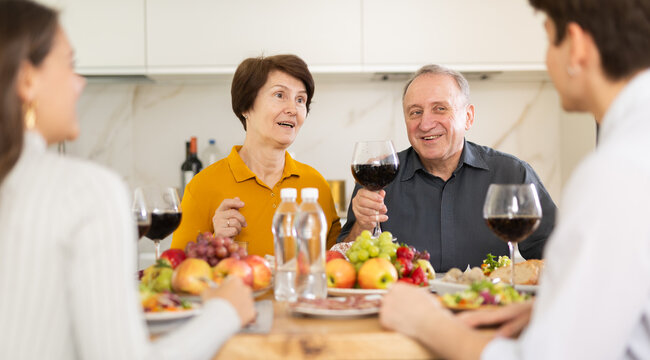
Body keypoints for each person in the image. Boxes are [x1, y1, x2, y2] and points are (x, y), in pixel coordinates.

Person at [380, 0, 650, 358]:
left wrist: (425, 322)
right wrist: (548, 310)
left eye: (550, 41)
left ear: (577, 45)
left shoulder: (615, 171)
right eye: (415, 112)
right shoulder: (630, 154)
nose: (547, 61)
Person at [0, 2, 255, 359]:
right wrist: (225, 312)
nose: (80, 83)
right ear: (27, 79)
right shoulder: (85, 191)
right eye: (70, 65)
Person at [338, 64, 557, 272]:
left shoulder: (512, 174)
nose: (425, 124)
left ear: (468, 117)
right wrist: (362, 225)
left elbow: (559, 254)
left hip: (487, 307)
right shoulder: (378, 178)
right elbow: (343, 267)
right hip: (406, 309)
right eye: (415, 112)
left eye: (440, 109)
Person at [171, 55, 341, 256]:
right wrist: (215, 243)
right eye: (279, 95)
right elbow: (177, 275)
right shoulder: (201, 188)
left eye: (300, 99)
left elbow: (336, 266)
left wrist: (362, 225)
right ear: (246, 106)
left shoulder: (316, 185)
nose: (293, 109)